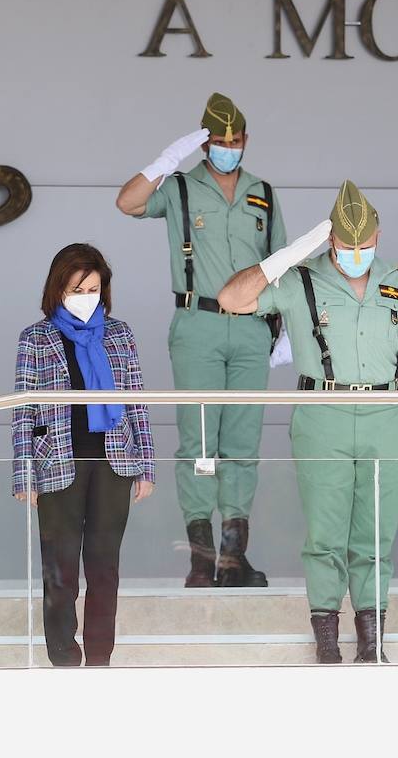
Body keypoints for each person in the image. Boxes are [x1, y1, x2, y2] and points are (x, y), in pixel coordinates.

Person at [218, 181, 398, 664]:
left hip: (385, 415)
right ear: (331, 239)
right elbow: (231, 299)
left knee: (376, 533)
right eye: (347, 245)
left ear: (379, 236)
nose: (357, 254)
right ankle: (328, 640)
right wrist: (284, 257)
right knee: (326, 534)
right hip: (323, 414)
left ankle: (372, 641)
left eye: (366, 245)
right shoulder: (300, 279)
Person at [115, 93, 287, 588]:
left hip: (252, 330)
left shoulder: (264, 193)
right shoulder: (180, 188)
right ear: (204, 142)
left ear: (246, 141)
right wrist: (165, 161)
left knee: (243, 443)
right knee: (199, 441)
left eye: (235, 140)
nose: (228, 147)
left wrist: (283, 329)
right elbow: (127, 202)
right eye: (217, 140)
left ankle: (234, 559)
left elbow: (281, 267)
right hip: (197, 324)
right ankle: (199, 557)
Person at [11, 243, 155, 668]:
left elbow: (137, 403)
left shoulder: (120, 333)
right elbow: (24, 411)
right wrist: (24, 477)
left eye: (93, 288)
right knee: (60, 575)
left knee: (104, 569)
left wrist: (146, 466)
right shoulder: (36, 338)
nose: (86, 295)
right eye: (77, 288)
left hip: (114, 464)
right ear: (58, 289)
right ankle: (64, 661)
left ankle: (98, 662)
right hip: (56, 465)